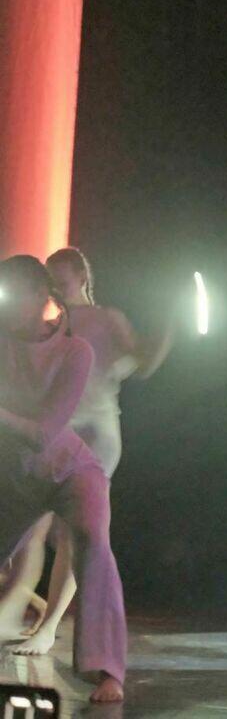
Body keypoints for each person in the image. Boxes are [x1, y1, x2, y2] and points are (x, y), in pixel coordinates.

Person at [0, 247, 172, 654]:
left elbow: (143, 362)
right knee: (31, 529)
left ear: (81, 277)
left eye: (61, 280)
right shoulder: (35, 325)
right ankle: (11, 608)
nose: (56, 288)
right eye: (50, 281)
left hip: (92, 433)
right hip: (50, 432)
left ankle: (49, 626)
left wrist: (170, 323)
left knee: (76, 532)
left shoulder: (105, 319)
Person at [0, 255, 126, 702]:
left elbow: (43, 433)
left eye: (16, 295)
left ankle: (107, 671)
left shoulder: (76, 351)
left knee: (91, 538)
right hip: (15, 478)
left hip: (72, 471)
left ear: (42, 296)